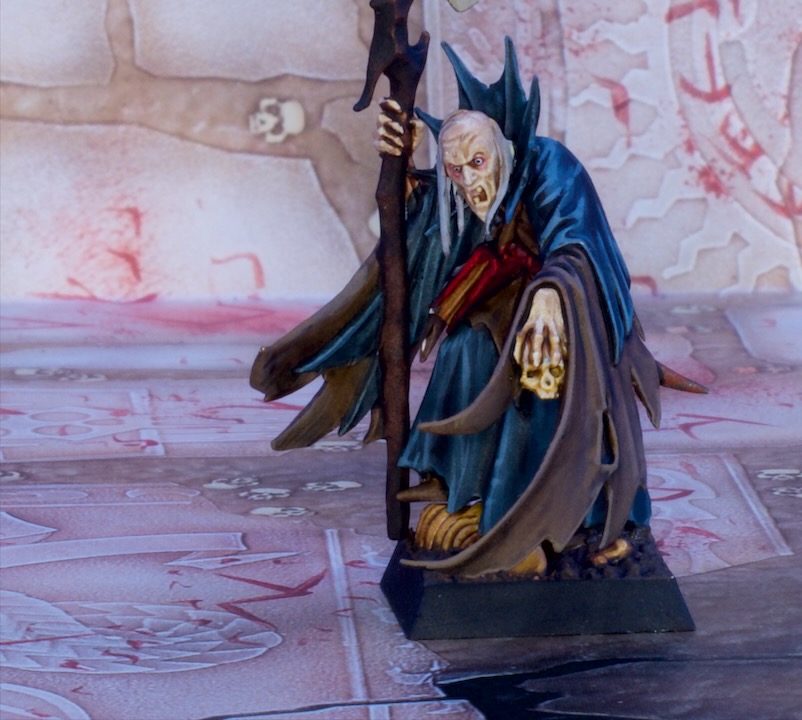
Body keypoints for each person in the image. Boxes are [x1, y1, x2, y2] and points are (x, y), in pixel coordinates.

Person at [250, 39, 704, 579]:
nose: (469, 180)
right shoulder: (463, 186)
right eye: (456, 169)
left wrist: (551, 297)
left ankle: (579, 519)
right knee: (463, 349)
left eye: (477, 163)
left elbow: (578, 242)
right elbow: (438, 233)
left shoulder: (550, 165)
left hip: (570, 322)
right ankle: (471, 492)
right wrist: (405, 168)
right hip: (504, 315)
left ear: (502, 150)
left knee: (539, 374)